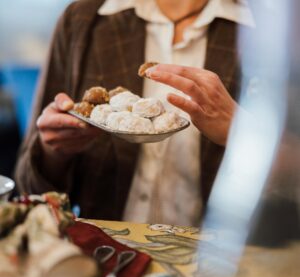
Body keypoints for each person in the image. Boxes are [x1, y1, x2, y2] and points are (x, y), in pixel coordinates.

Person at [15, 0, 254, 226]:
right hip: (105, 254)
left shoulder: (270, 31)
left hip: (218, 259)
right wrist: (52, 151)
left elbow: (290, 192)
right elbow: (29, 186)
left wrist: (247, 136)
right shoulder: (82, 21)